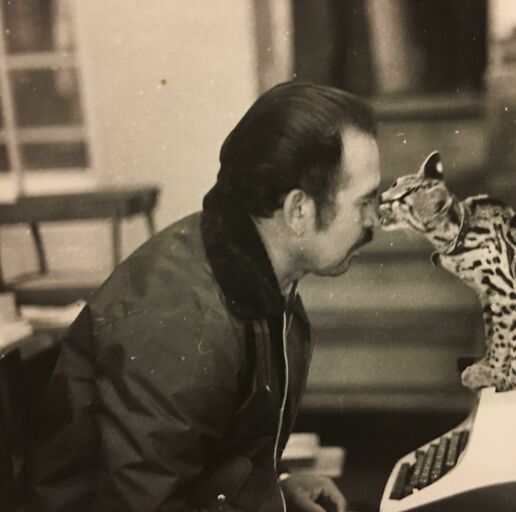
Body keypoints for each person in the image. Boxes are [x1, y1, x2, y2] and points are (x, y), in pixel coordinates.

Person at [24, 81, 381, 512]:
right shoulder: (185, 320)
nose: (374, 220)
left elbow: (214, 449)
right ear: (298, 211)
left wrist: (274, 488)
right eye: (365, 201)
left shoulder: (259, 272)